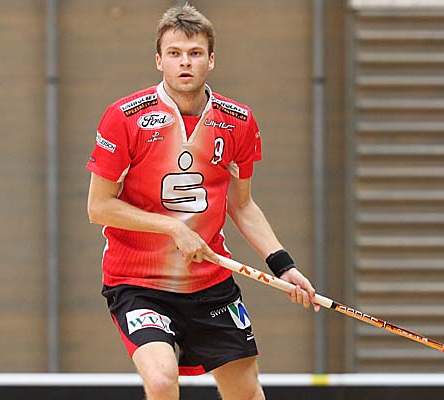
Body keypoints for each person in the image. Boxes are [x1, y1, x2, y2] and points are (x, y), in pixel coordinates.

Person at [86, 4, 319, 400]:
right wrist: (173, 227)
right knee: (161, 380)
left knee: (246, 393)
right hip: (138, 282)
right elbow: (99, 207)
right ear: (159, 60)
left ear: (211, 60)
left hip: (210, 280)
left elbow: (242, 205)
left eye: (195, 53)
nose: (185, 62)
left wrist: (284, 266)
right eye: (174, 53)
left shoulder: (238, 121)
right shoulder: (124, 117)